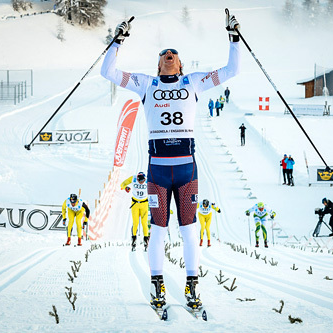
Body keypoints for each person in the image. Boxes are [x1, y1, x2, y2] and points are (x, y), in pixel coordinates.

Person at [101, 12, 241, 310]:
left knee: (189, 230)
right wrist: (117, 41)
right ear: (159, 63)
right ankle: (157, 286)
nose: (169, 54)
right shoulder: (146, 83)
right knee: (159, 231)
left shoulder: (193, 82)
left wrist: (234, 37)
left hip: (187, 171)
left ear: (180, 63)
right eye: (164, 53)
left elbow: (231, 69)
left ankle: (192, 287)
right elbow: (108, 73)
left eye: (174, 53)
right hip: (158, 173)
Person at [121, 171, 150, 251]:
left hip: (144, 204)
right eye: (139, 181)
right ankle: (133, 240)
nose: (141, 183)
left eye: (142, 181)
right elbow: (122, 184)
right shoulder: (133, 178)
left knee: (144, 223)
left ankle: (146, 241)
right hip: (135, 204)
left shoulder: (148, 179)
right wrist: (125, 188)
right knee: (135, 222)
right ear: (137, 178)